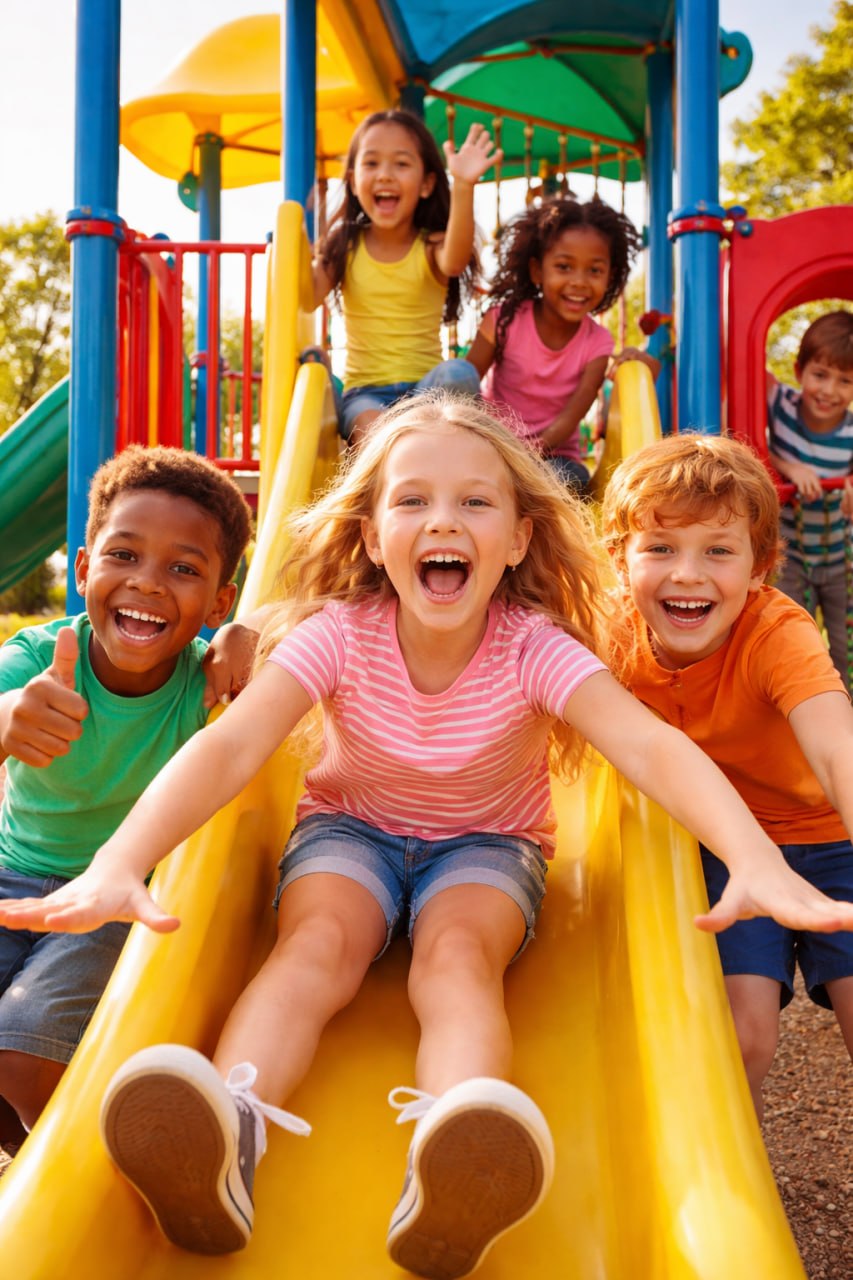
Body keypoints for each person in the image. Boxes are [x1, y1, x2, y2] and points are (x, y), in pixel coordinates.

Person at [3, 397, 852, 1278]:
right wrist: (121, 859)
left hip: (486, 848)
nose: (442, 520)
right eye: (412, 502)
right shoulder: (336, 636)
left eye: (474, 504)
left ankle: (453, 1157)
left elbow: (649, 747)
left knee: (455, 959)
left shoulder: (536, 647)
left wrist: (751, 856)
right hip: (349, 833)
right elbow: (229, 748)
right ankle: (231, 1130)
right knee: (314, 944)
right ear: (372, 537)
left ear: (519, 539)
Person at [0, 445, 253, 1149]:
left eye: (184, 569)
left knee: (23, 1049)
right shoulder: (39, 657)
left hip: (116, 897)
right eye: (124, 556)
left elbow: (317, 649)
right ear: (84, 568)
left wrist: (248, 635)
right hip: (11, 877)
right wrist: (9, 716)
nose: (147, 584)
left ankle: (71, 1178)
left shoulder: (208, 688)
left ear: (217, 600)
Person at [601, 432, 853, 1120]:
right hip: (731, 844)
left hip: (833, 839)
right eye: (659, 548)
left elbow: (836, 750)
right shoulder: (608, 633)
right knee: (742, 1033)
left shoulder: (776, 633)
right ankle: (725, 1191)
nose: (687, 573)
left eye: (717, 551)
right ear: (618, 560)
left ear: (759, 566)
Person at [313, 108, 497, 445]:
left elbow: (455, 262)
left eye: (400, 164)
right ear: (353, 182)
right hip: (365, 395)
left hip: (426, 392)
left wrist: (464, 185)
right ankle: (402, 453)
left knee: (460, 373)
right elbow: (308, 295)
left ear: (427, 183)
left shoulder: (430, 246)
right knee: (372, 425)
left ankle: (421, 443)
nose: (385, 175)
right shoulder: (345, 245)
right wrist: (294, 242)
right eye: (371, 163)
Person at [466, 195, 658, 494]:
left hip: (552, 456)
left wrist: (524, 459)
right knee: (454, 374)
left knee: (570, 479)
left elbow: (571, 418)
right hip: (494, 445)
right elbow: (466, 384)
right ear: (537, 271)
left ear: (611, 276)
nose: (579, 281)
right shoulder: (504, 319)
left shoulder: (597, 342)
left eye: (594, 270)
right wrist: (482, 445)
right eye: (564, 267)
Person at [766, 310, 853, 690]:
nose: (829, 390)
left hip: (840, 558)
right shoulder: (779, 403)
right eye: (820, 375)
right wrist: (788, 466)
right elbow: (737, 362)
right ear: (800, 371)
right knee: (793, 641)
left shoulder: (851, 431)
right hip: (790, 556)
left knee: (844, 647)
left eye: (845, 381)